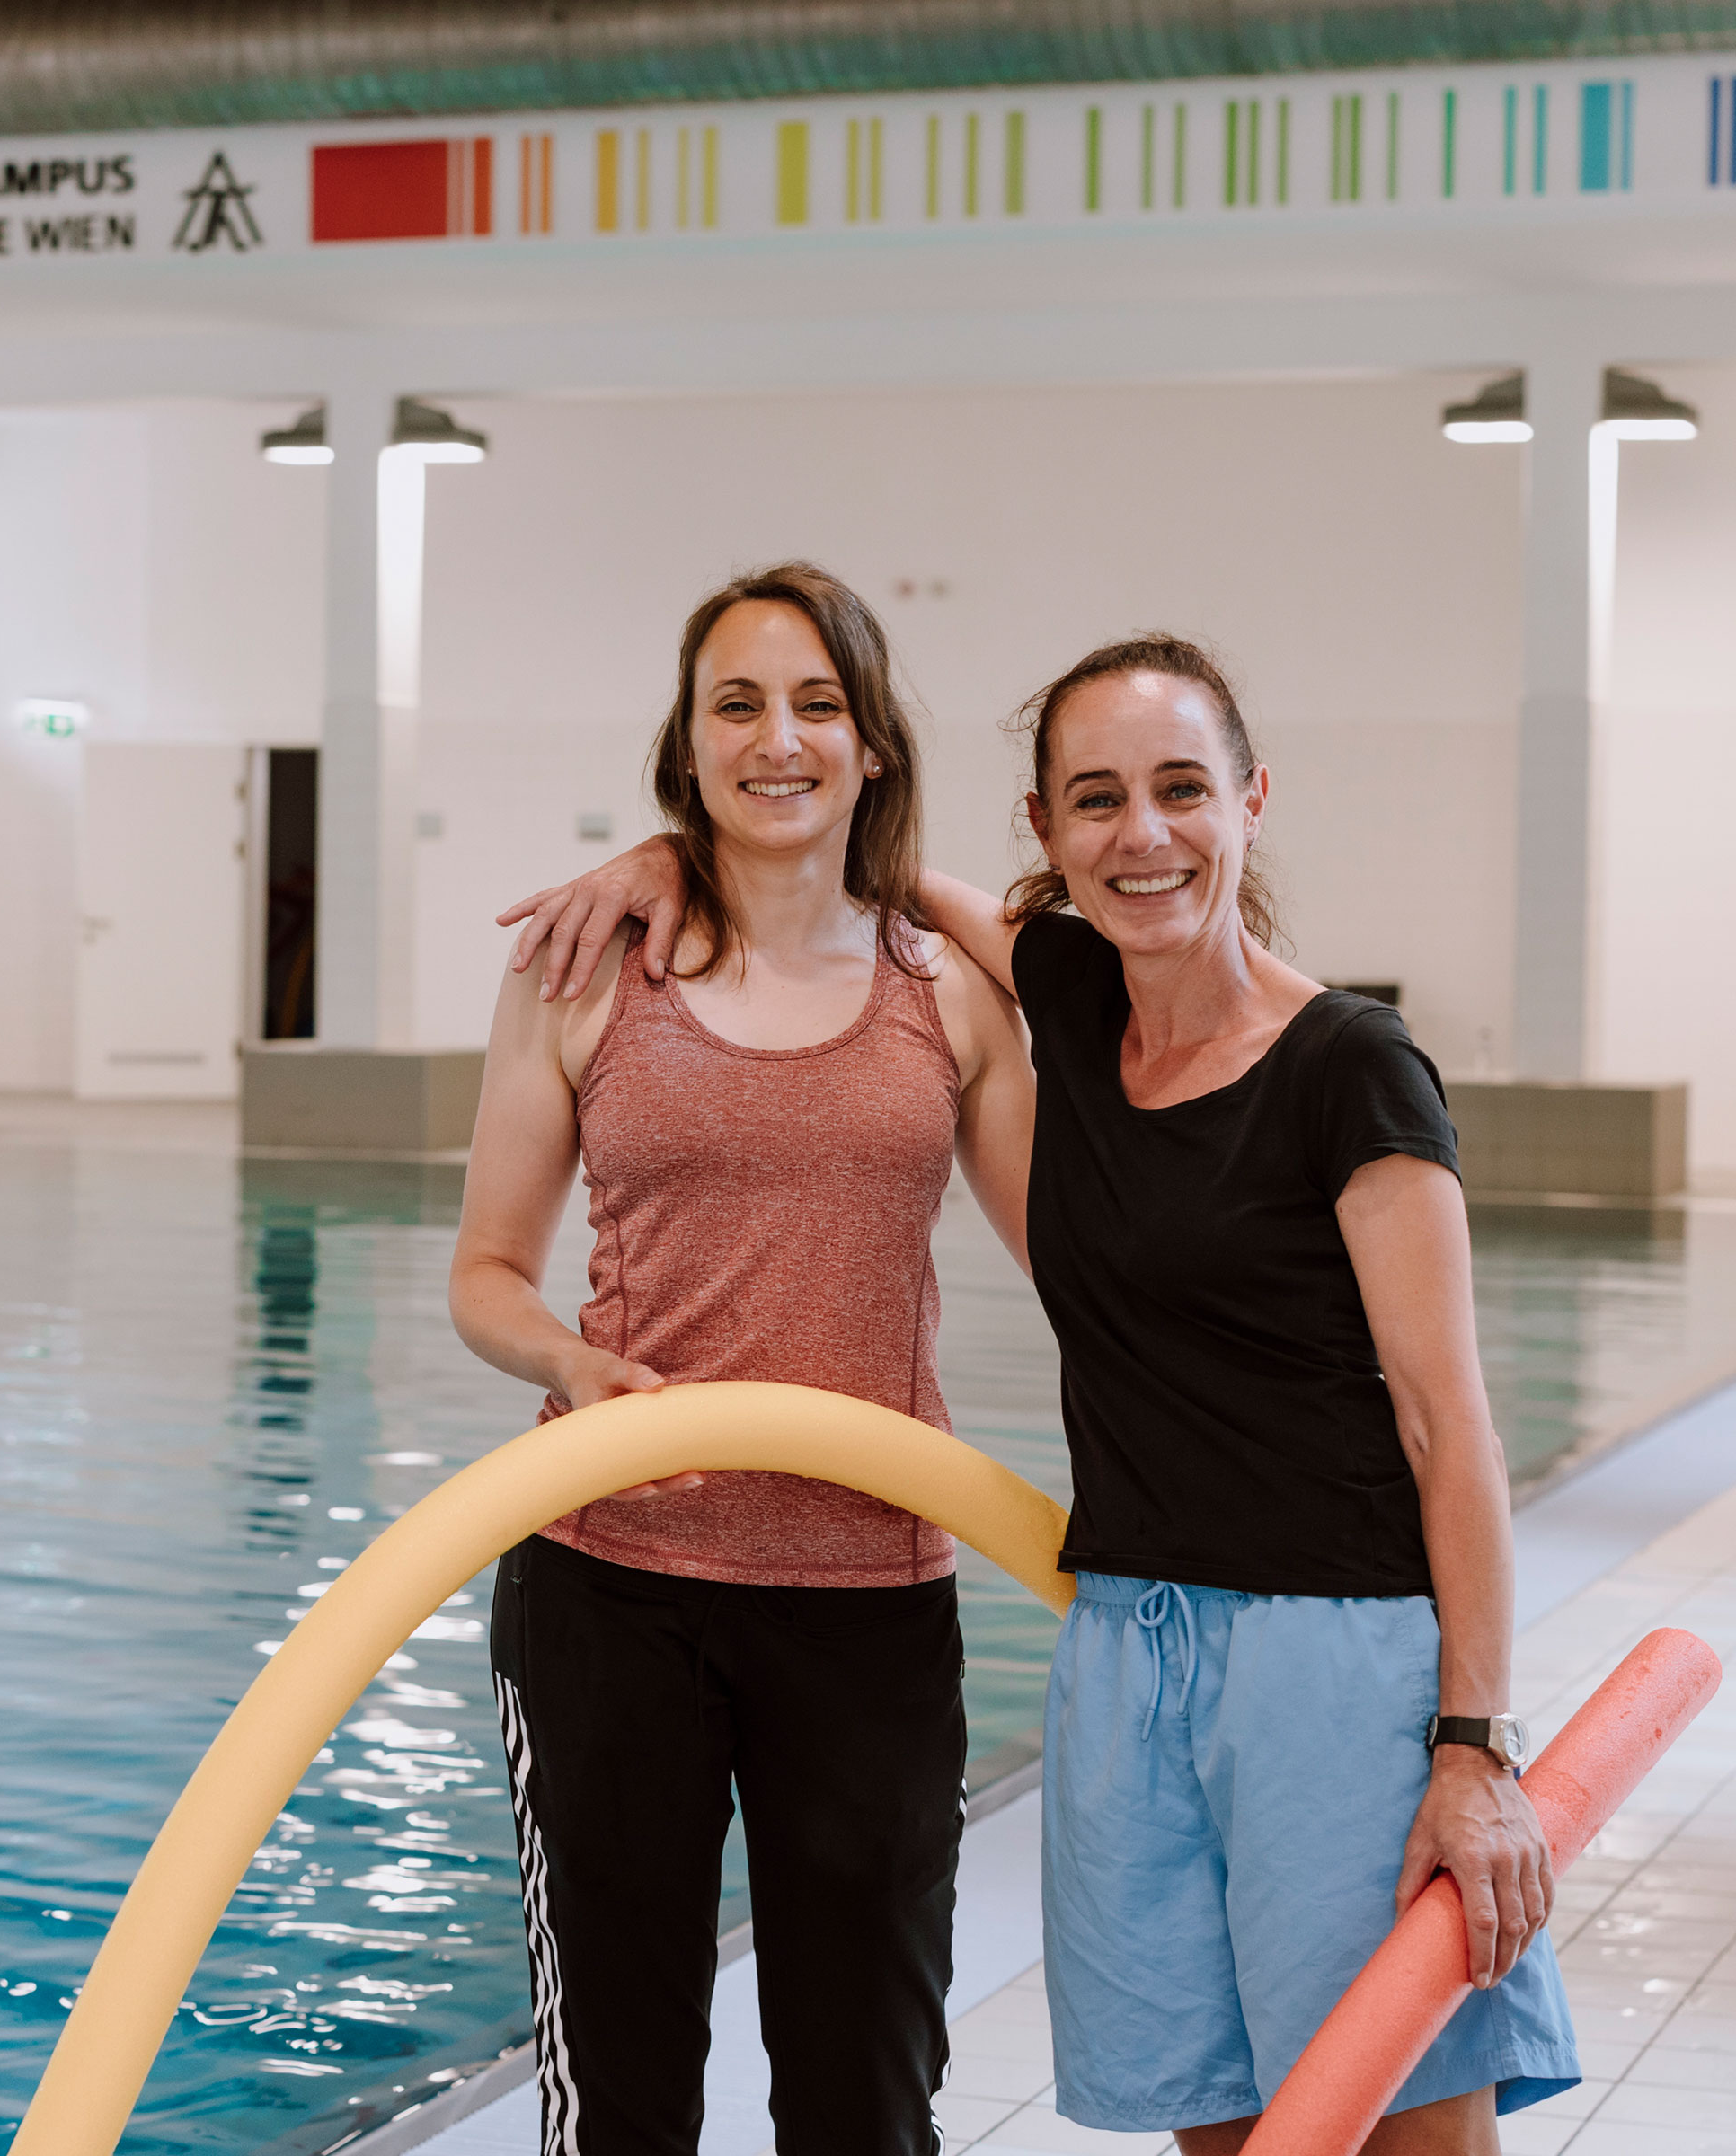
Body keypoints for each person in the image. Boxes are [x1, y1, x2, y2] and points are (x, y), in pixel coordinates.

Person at [500, 632, 1580, 2154]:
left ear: (1253, 799)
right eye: (1098, 801)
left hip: (1328, 1653)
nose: (1142, 837)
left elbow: (1446, 1424)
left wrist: (1475, 1745)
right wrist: (669, 858)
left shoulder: (1353, 1067)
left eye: (1182, 790)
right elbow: (858, 875)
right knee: (1221, 2119)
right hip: (1134, 1648)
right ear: (1045, 832)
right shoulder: (1070, 1001)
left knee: (1382, 2114)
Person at [448, 562, 1032, 2156]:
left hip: (872, 1608)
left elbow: (1082, 1268)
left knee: (865, 2105)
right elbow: (486, 1278)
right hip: (612, 1588)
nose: (779, 739)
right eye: (738, 704)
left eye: (817, 703)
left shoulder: (951, 994)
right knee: (624, 2107)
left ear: (873, 744)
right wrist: (568, 1368)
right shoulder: (581, 975)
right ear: (688, 745)